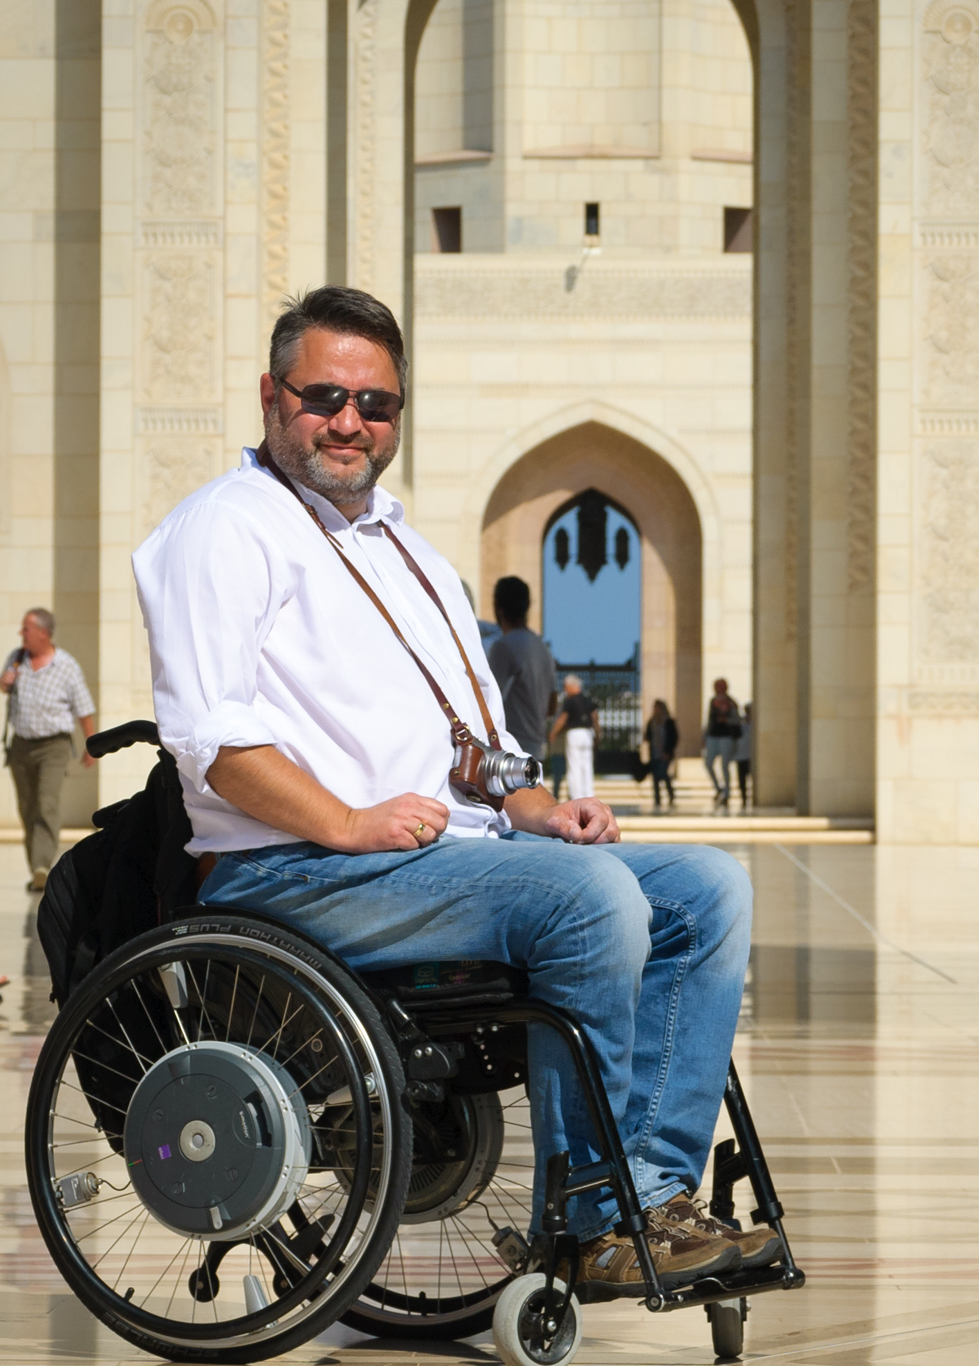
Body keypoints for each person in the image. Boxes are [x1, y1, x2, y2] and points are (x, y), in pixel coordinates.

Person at [132, 284, 776, 1292]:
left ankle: (651, 1189)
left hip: (440, 856)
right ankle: (592, 1215)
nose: (350, 421)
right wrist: (346, 822)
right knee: (590, 898)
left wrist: (537, 807)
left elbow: (474, 749)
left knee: (708, 886)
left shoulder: (409, 551)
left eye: (375, 403)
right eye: (325, 396)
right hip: (295, 867)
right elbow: (210, 744)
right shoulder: (224, 529)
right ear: (271, 394)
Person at [1, 608, 96, 892]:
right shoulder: (17, 659)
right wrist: (4, 683)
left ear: (43, 633)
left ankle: (43, 864)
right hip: (20, 745)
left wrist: (92, 746)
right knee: (28, 807)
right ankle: (36, 867)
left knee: (46, 802)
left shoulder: (66, 665)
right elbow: (5, 688)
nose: (22, 634)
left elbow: (84, 708)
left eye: (26, 629)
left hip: (53, 746)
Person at [487, 576, 557, 761]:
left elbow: (487, 699)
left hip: (509, 749)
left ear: (499, 608)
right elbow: (552, 704)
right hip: (535, 748)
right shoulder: (543, 647)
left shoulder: (504, 646)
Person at [549, 673, 600, 802]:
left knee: (575, 766)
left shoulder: (570, 701)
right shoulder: (588, 700)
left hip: (575, 734)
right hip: (588, 734)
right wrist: (597, 735)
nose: (565, 690)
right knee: (587, 766)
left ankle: (576, 797)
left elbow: (563, 718)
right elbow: (595, 718)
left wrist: (553, 732)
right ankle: (588, 795)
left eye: (566, 687)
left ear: (572, 686)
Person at [704, 678, 741, 804]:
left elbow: (737, 720)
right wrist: (705, 736)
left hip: (726, 737)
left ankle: (727, 793)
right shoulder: (712, 701)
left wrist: (726, 720)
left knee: (724, 765)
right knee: (708, 763)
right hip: (713, 736)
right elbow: (709, 720)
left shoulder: (731, 702)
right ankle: (718, 788)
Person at [644, 699, 678, 807]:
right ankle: (657, 798)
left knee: (662, 773)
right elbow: (648, 736)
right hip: (655, 753)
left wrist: (668, 751)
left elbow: (673, 738)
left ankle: (670, 793)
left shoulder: (668, 722)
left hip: (666, 753)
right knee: (655, 776)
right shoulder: (652, 722)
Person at [735, 701, 753, 807]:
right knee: (742, 779)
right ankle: (744, 798)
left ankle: (748, 797)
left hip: (751, 756)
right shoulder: (740, 723)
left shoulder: (754, 725)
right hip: (741, 755)